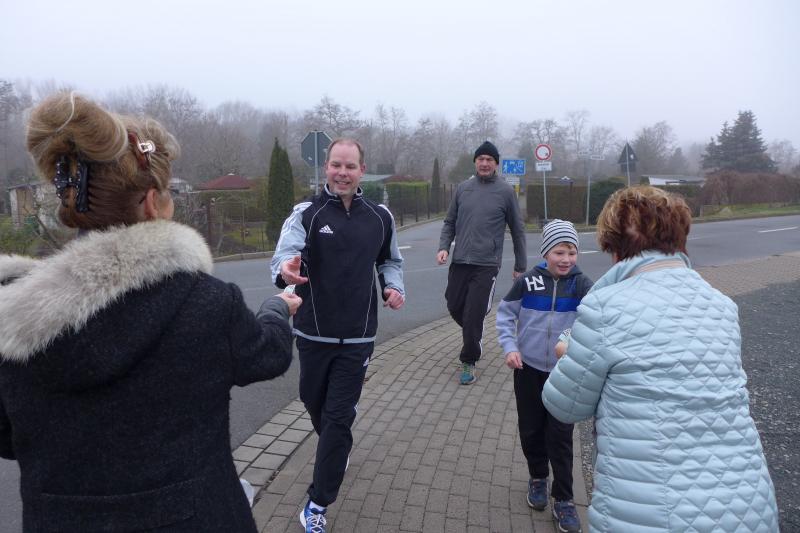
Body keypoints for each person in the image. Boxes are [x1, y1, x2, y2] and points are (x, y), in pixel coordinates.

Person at [0, 92, 300, 532]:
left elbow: (9, 438)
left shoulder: (13, 319)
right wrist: (277, 308)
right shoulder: (205, 303)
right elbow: (268, 355)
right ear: (150, 202)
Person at [542, 186, 779, 532]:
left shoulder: (605, 307)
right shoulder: (721, 305)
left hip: (652, 511)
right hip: (749, 503)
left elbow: (564, 405)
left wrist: (568, 356)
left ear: (614, 247)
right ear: (678, 237)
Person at [271, 138, 405, 533]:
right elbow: (283, 258)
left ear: (362, 170)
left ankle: (317, 504)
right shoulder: (306, 214)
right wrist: (286, 271)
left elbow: (390, 261)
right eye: (336, 165)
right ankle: (337, 442)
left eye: (350, 166)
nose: (342, 173)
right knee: (313, 402)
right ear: (326, 168)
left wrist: (393, 286)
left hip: (359, 337)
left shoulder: (380, 217)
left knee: (337, 418)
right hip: (313, 332)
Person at [495, 219, 592, 533]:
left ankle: (563, 497)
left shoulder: (582, 285)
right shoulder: (527, 282)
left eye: (571, 252)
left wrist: (573, 344)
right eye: (559, 252)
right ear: (546, 252)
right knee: (531, 429)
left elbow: (593, 322)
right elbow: (505, 314)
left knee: (560, 436)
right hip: (528, 371)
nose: (566, 259)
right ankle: (538, 477)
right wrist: (510, 347)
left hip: (564, 374)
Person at [437, 140, 527, 385]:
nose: (485, 163)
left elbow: (517, 230)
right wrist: (444, 247)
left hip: (487, 264)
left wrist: (520, 265)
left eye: (489, 160)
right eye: (481, 159)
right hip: (460, 260)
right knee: (454, 305)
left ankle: (469, 360)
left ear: (496, 164)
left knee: (473, 314)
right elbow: (449, 222)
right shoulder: (463, 189)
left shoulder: (505, 192)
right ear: (475, 162)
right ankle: (473, 332)